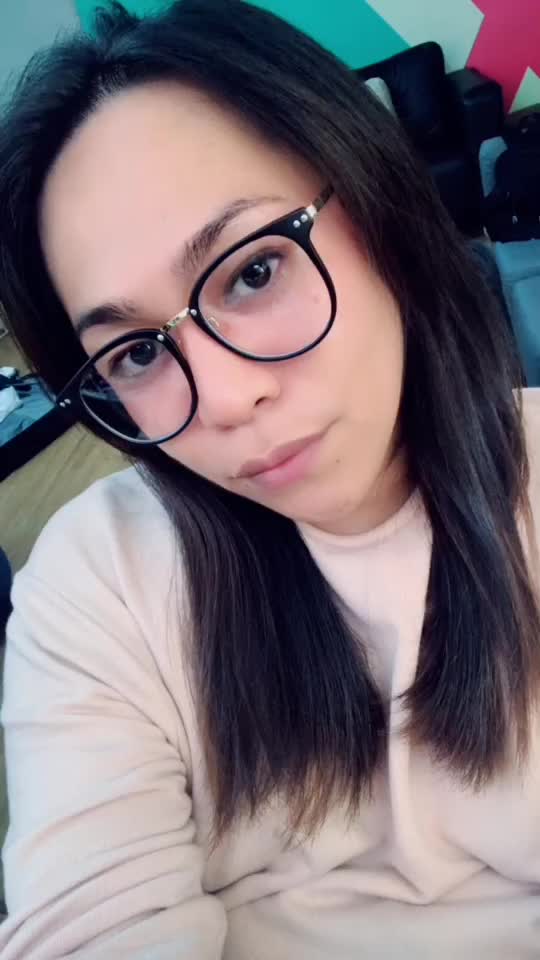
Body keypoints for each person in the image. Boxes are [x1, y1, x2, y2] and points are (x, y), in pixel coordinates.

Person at [0, 1, 539, 957]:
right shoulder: (99, 578)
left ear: (378, 208)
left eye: (253, 272)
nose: (223, 397)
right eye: (135, 353)